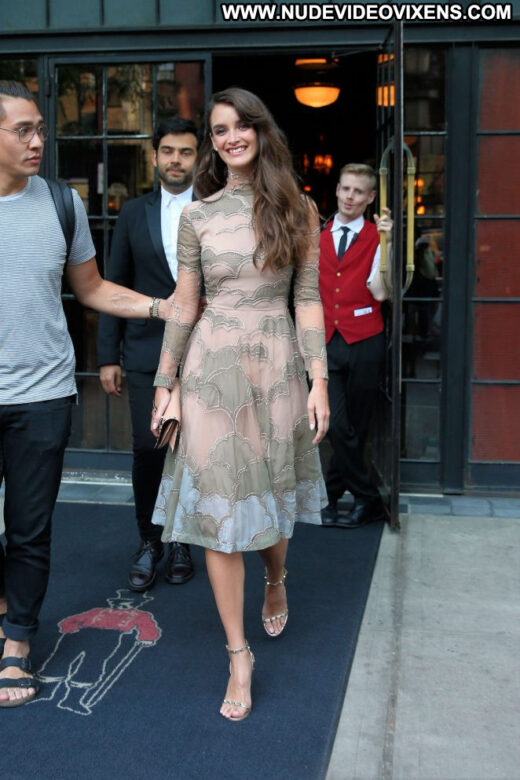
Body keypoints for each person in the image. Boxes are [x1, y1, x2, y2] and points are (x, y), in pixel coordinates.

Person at [150, 87, 329, 722]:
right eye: (219, 129)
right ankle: (237, 653)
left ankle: (275, 578)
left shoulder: (298, 209)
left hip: (277, 367)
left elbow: (307, 298)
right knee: (221, 509)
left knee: (271, 498)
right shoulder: (197, 216)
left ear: (260, 131)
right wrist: (164, 383)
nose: (230, 137)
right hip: (211, 370)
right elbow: (184, 304)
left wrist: (319, 380)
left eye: (240, 126)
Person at [0, 80, 174, 707]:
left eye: (40, 129)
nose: (38, 141)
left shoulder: (61, 204)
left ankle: (17, 642)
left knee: (29, 529)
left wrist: (160, 306)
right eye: (23, 130)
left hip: (42, 394)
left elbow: (93, 288)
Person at [97, 118, 199, 592]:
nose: (176, 160)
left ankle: (182, 541)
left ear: (199, 158)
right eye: (169, 151)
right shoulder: (133, 213)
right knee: (148, 447)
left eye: (186, 151)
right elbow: (112, 284)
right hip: (144, 351)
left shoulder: (216, 209)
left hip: (203, 352)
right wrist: (108, 354)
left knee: (194, 451)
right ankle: (149, 540)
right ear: (155, 156)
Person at [319, 163, 393, 529]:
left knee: (357, 427)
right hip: (325, 341)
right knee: (335, 424)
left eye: (359, 191)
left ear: (370, 197)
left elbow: (381, 292)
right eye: (346, 189)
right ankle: (369, 498)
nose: (350, 197)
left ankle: (332, 494)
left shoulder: (377, 237)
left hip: (365, 340)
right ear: (337, 190)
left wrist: (388, 244)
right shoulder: (315, 235)